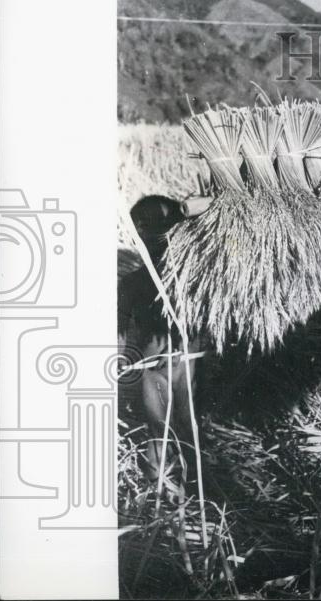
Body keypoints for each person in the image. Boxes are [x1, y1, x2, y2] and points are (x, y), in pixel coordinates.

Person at [118, 195, 204, 488]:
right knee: (173, 430)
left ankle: (174, 481)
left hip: (164, 367)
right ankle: (175, 481)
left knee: (167, 431)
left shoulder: (188, 278)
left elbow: (120, 334)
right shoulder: (189, 279)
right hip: (170, 366)